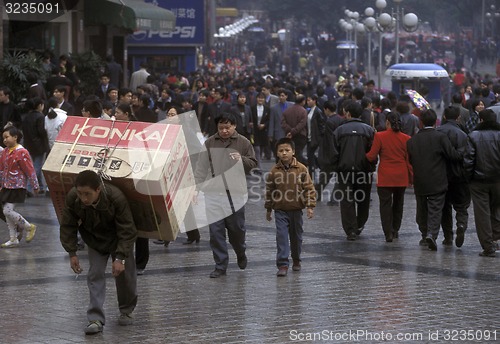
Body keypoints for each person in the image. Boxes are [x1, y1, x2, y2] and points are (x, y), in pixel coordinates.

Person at [59, 170, 138, 334]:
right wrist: (71, 252)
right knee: (94, 274)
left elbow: (127, 230)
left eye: (88, 194)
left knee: (125, 276)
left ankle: (126, 311)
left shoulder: (115, 197)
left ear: (98, 190)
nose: (84, 198)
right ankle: (95, 319)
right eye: (80, 193)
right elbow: (68, 225)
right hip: (94, 239)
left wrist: (120, 258)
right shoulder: (73, 197)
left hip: (119, 239)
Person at [193, 112, 257, 278]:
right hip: (213, 193)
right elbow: (201, 167)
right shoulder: (209, 143)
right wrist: (196, 188)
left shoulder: (243, 142)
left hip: (235, 194)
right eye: (221, 127)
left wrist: (241, 159)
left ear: (234, 126)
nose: (224, 131)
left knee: (236, 230)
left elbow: (253, 164)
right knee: (216, 233)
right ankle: (220, 265)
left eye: (227, 127)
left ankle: (240, 252)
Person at [407, 109, 463, 251]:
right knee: (435, 209)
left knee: (421, 209)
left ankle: (424, 233)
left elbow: (411, 160)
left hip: (420, 180)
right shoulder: (440, 137)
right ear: (436, 121)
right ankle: (432, 234)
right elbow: (453, 155)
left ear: (421, 122)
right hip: (438, 179)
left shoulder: (412, 140)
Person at [265, 137, 316, 277]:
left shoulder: (301, 168)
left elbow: (309, 188)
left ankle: (296, 259)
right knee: (281, 236)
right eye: (281, 151)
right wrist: (269, 209)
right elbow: (270, 191)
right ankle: (282, 264)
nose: (284, 153)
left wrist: (310, 206)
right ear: (277, 153)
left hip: (296, 210)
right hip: (280, 210)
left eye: (287, 150)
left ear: (293, 151)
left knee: (296, 237)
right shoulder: (274, 171)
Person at [331, 100, 375, 241]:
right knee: (363, 199)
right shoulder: (369, 130)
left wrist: (336, 168)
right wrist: (371, 167)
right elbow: (373, 152)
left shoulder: (339, 131)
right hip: (364, 171)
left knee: (347, 201)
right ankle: (359, 224)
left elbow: (333, 153)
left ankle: (350, 230)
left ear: (348, 113)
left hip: (344, 171)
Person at [366, 112, 412, 242]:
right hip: (401, 176)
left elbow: (372, 156)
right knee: (399, 204)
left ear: (387, 122)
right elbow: (409, 160)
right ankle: (395, 229)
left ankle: (388, 233)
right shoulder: (406, 138)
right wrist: (411, 177)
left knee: (385, 205)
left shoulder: (379, 136)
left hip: (385, 175)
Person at [464, 109, 500, 257]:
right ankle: (496, 236)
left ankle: (488, 244)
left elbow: (468, 160)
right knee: (497, 208)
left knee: (482, 213)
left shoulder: (473, 136)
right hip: (498, 180)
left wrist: (468, 178)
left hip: (479, 181)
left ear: (481, 120)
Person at [437, 106, 470, 247]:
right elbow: (465, 156)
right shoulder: (462, 134)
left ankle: (448, 236)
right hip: (459, 176)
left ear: (444, 117)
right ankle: (461, 225)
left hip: (441, 174)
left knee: (445, 207)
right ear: (458, 118)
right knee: (461, 206)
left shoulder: (437, 132)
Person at [0, 126, 38, 247]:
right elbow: (2, 169)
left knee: (7, 210)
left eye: (7, 137)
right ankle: (13, 239)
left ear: (15, 137)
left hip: (17, 187)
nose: (5, 140)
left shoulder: (22, 152)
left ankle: (28, 226)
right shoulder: (5, 151)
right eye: (3, 138)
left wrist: (35, 185)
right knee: (6, 213)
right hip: (6, 186)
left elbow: (29, 169)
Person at [21, 97, 49, 196]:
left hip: (29, 144)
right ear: (40, 106)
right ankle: (28, 188)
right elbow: (41, 131)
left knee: (33, 165)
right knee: (36, 167)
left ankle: (41, 187)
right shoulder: (40, 117)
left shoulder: (26, 116)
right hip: (39, 145)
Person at [281, 94, 308, 165]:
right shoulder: (303, 111)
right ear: (303, 101)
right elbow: (302, 124)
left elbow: (283, 123)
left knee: (292, 153)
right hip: (300, 136)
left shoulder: (287, 111)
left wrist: (290, 131)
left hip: (289, 136)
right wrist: (293, 131)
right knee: (299, 153)